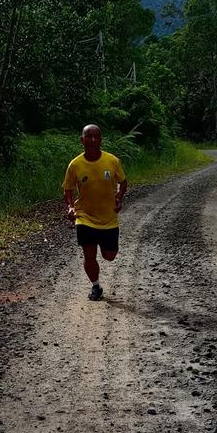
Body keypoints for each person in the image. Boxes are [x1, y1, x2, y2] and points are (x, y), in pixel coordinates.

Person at [63, 124, 128, 301]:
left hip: (109, 218)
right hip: (85, 216)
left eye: (96, 137)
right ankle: (96, 286)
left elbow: (123, 181)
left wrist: (119, 196)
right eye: (88, 137)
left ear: (100, 139)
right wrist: (70, 207)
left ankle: (104, 250)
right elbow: (68, 189)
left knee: (109, 256)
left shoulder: (112, 161)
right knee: (89, 254)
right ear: (82, 140)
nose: (92, 140)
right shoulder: (75, 165)